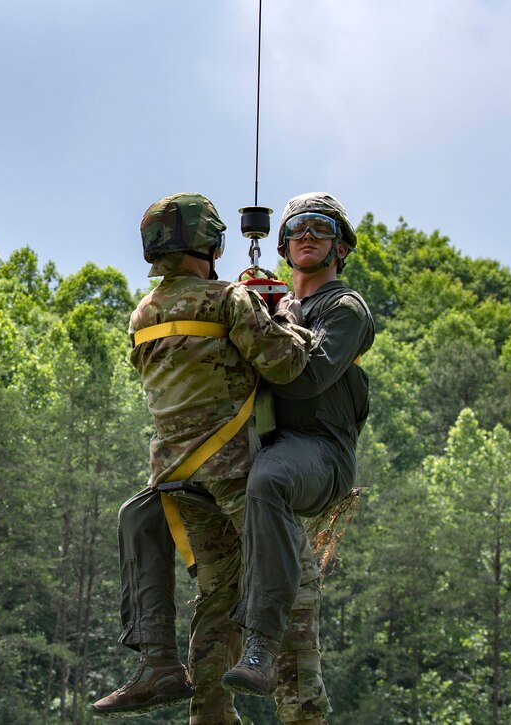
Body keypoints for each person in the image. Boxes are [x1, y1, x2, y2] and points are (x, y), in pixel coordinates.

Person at [91, 192, 312, 724]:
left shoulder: (142, 314)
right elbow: (286, 366)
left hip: (175, 480)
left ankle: (198, 705)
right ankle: (277, 675)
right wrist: (287, 314)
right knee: (291, 576)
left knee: (216, 596)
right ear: (208, 241)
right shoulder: (227, 300)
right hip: (233, 473)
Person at [223, 192, 375, 699]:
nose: (307, 234)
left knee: (270, 479)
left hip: (320, 453)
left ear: (341, 248)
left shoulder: (344, 309)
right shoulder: (273, 305)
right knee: (152, 501)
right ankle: (157, 658)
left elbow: (307, 377)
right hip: (266, 441)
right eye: (297, 229)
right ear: (284, 246)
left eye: (320, 227)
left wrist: (261, 326)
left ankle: (262, 644)